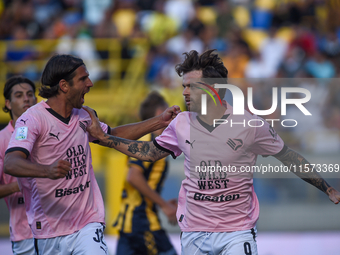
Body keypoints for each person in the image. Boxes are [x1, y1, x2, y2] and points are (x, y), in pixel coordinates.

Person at [83, 49, 340, 255]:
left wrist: (326, 187)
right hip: (194, 232)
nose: (184, 92)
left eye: (192, 86)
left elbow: (288, 157)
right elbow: (149, 152)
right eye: (183, 85)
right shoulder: (181, 123)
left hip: (237, 232)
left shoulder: (249, 124)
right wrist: (106, 139)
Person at [3, 54, 180, 255]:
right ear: (64, 85)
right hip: (49, 230)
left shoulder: (85, 115)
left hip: (87, 223)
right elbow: (11, 162)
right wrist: (47, 170)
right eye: (83, 79)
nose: (90, 83)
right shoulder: (33, 119)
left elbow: (112, 135)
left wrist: (159, 121)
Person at [113, 91, 177, 255]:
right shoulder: (148, 143)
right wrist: (164, 205)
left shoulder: (155, 142)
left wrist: (163, 202)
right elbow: (133, 176)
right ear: (159, 114)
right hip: (142, 221)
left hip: (129, 223)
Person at [0, 76, 37, 255]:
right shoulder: (1, 140)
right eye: (19, 95)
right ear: (8, 103)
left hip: (60, 228)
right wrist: (20, 184)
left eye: (30, 94)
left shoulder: (47, 130)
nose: (26, 99)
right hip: (25, 235)